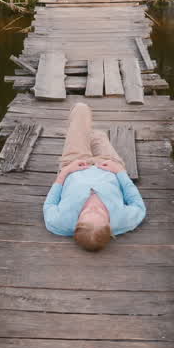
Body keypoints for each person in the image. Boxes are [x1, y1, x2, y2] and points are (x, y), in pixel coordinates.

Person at [42, 102, 146, 251]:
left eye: (86, 212)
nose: (93, 207)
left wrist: (65, 172)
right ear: (109, 225)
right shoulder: (124, 220)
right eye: (100, 213)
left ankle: (83, 135)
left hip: (74, 163)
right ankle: (89, 135)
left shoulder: (58, 222)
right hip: (109, 165)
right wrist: (119, 171)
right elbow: (138, 205)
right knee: (98, 135)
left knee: (81, 109)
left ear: (76, 223)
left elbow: (49, 205)